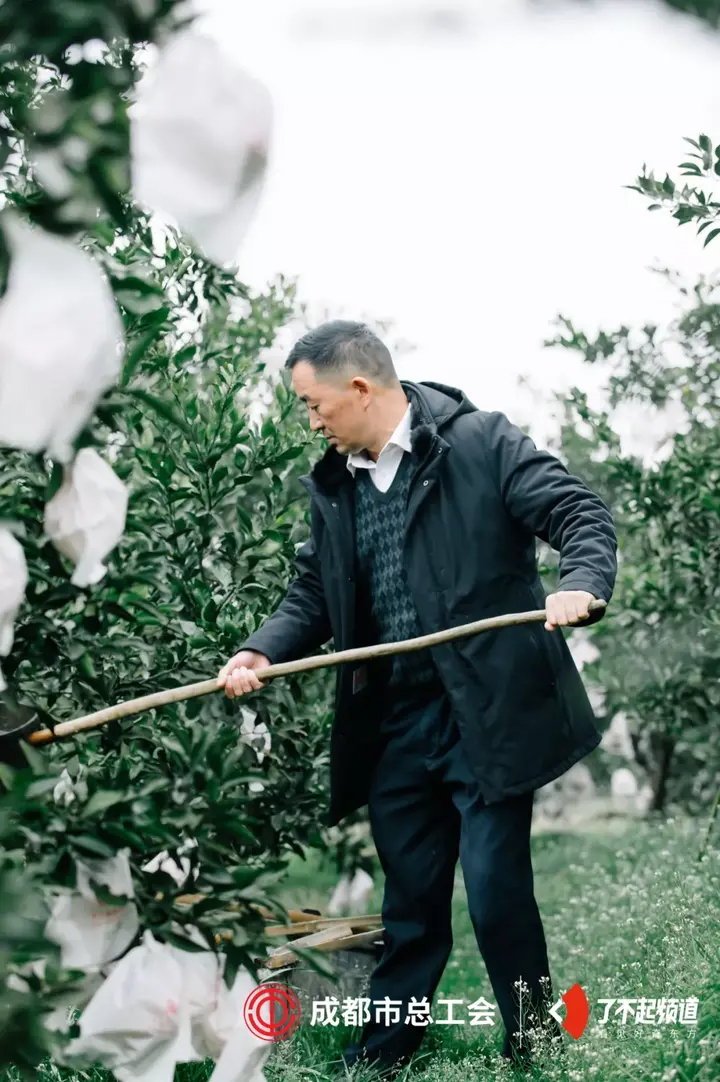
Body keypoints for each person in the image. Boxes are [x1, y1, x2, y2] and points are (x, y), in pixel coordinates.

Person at [217, 320, 617, 1077]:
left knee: (497, 893)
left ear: (360, 389)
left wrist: (580, 584)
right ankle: (383, 1056)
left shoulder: (481, 444)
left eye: (314, 405)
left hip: (486, 711)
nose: (311, 421)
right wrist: (261, 648)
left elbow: (579, 515)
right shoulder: (335, 486)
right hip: (397, 723)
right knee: (412, 906)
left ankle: (534, 1045)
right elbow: (313, 594)